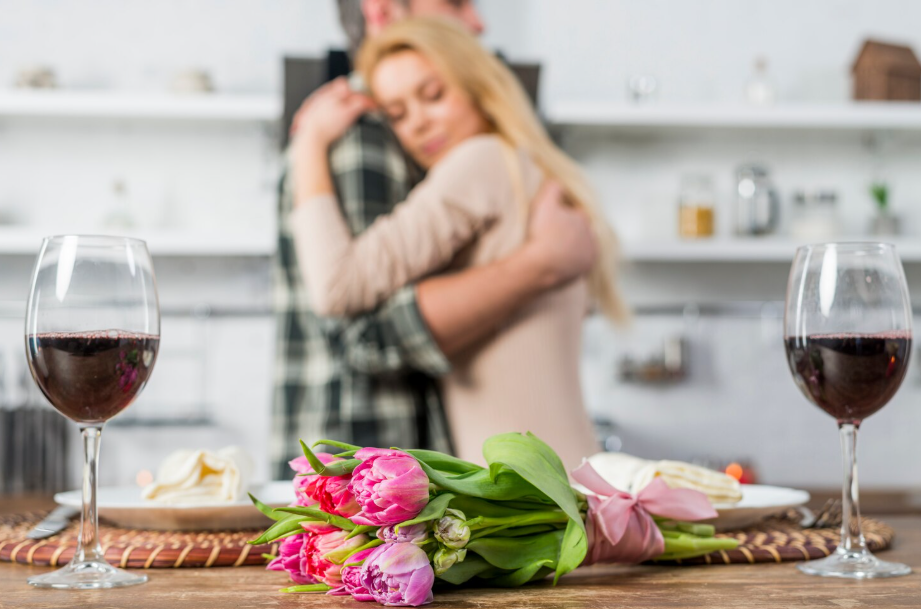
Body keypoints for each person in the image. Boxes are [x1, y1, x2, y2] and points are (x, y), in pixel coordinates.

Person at [272, 0, 599, 477]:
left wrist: (307, 143)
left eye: (434, 94)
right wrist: (540, 263)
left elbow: (339, 287)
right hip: (547, 471)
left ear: (476, 86)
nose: (418, 123)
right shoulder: (520, 166)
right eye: (399, 113)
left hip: (526, 482)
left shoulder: (481, 161)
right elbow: (358, 323)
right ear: (382, 10)